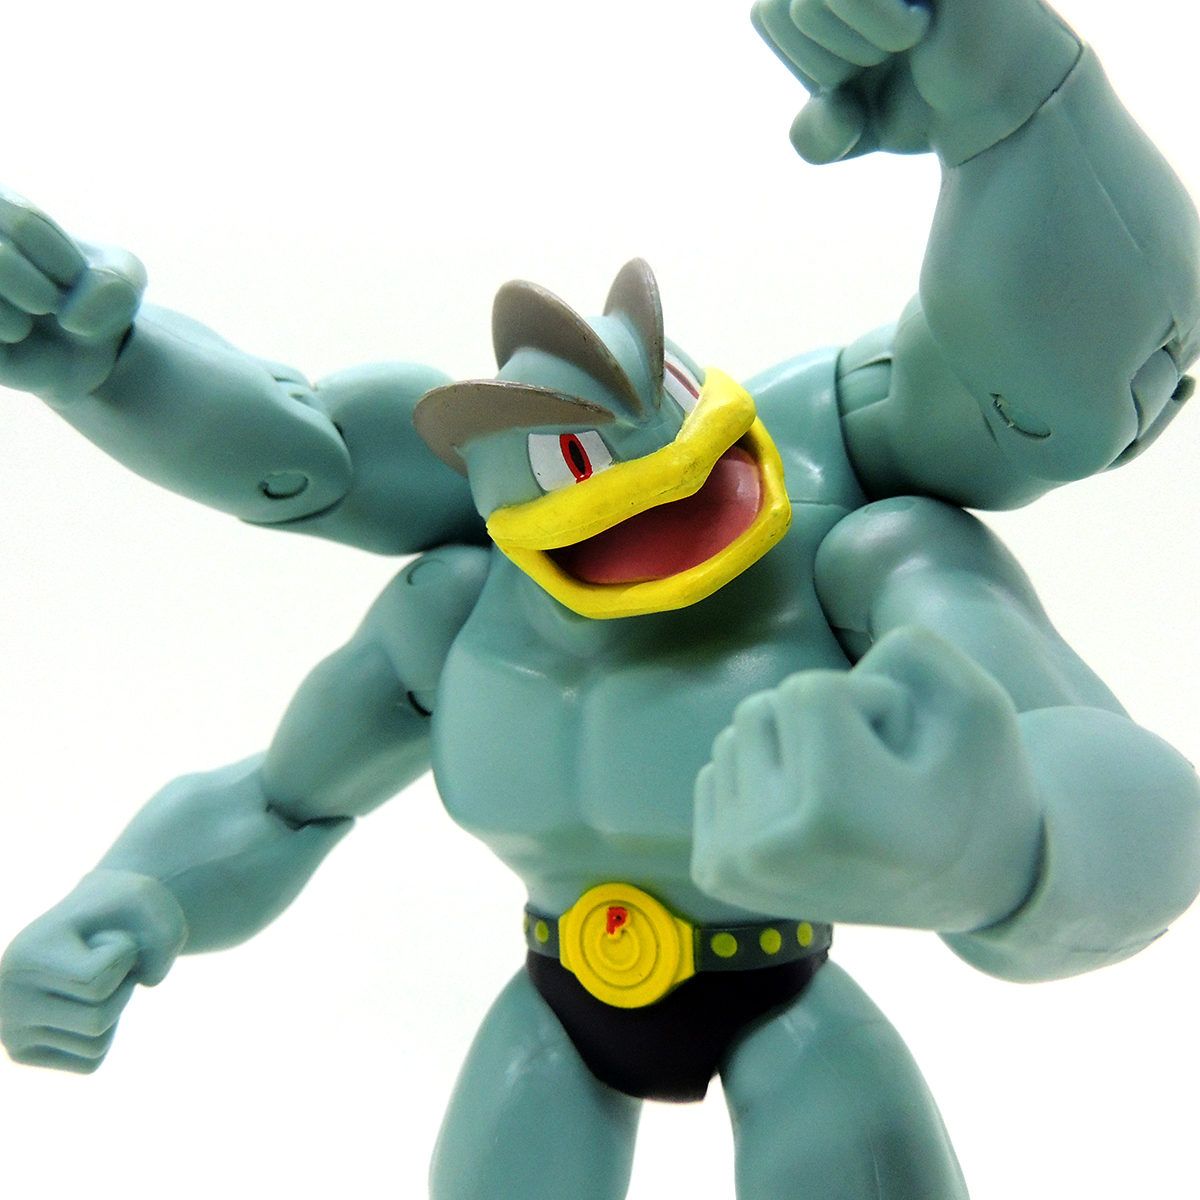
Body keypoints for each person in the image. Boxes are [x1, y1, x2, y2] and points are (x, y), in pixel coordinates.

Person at [1, 2, 1198, 1197]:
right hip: (557, 1010)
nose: (663, 475)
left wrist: (1000, 847)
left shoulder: (854, 555)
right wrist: (131, 902)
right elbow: (278, 804)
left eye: (664, 405)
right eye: (585, 460)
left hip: (787, 1007)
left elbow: (1043, 419)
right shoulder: (455, 615)